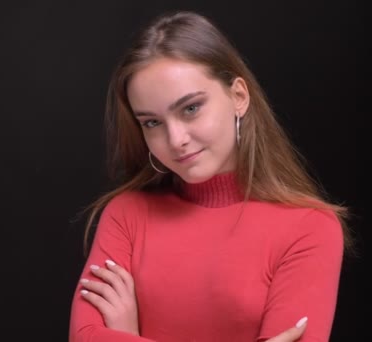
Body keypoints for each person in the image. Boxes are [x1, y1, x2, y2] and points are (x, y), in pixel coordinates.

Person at [68, 10, 353, 342]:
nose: (176, 140)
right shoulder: (125, 215)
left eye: (190, 108)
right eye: (152, 122)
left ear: (238, 97)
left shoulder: (310, 228)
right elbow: (85, 336)